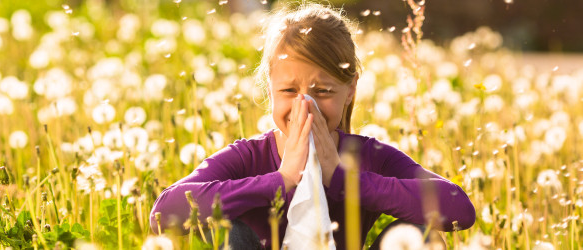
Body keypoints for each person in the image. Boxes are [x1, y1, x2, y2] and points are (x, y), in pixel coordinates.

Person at [150, 3, 475, 249]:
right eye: (289, 91)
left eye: (323, 92)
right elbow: (164, 214)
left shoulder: (368, 155)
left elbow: (458, 208)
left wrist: (343, 178)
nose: (306, 106)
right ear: (269, 89)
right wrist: (281, 180)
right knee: (240, 231)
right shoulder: (248, 157)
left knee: (423, 234)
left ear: (350, 91)